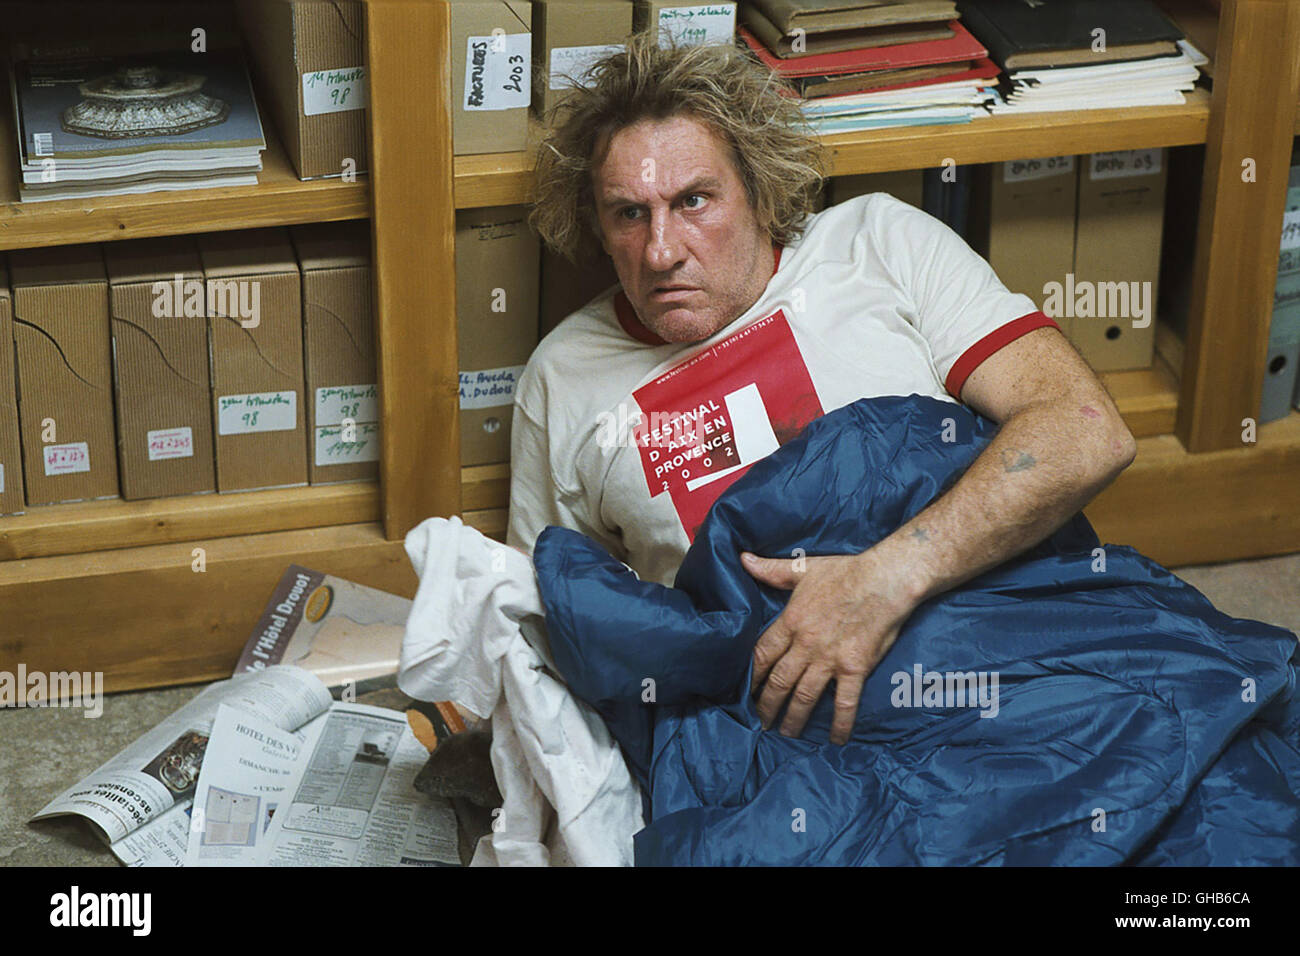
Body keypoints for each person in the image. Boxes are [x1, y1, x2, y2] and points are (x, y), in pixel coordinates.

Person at [509, 32, 1137, 747]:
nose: (661, 250)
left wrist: (889, 578)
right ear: (597, 222)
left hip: (983, 631)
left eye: (694, 201)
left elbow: (1086, 428)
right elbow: (553, 628)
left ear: (757, 188)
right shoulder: (563, 378)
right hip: (780, 719)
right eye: (629, 213)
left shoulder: (879, 244)